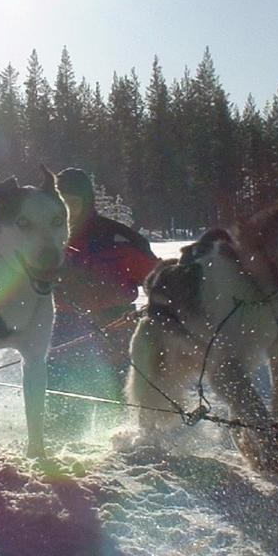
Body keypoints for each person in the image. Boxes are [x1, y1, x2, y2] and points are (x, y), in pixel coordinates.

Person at [48, 168, 159, 436]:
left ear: (87, 202)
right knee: (61, 410)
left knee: (115, 406)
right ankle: (61, 454)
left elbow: (159, 280)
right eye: (60, 203)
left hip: (115, 328)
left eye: (72, 202)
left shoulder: (118, 238)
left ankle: (118, 459)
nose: (66, 211)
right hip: (65, 330)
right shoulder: (47, 240)